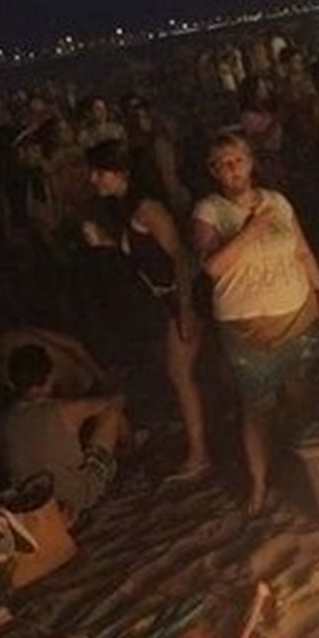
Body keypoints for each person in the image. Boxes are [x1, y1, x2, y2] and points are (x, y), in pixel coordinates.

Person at [193, 133, 319, 516]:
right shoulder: (209, 211)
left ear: (250, 162)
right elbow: (212, 266)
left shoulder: (278, 201)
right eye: (223, 163)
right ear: (213, 171)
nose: (232, 169)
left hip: (294, 312)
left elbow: (301, 249)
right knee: (258, 406)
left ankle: (309, 471)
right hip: (245, 325)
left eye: (238, 160)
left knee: (300, 395)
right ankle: (259, 484)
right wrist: (250, 230)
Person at [85, 140, 212, 482]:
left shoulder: (146, 209)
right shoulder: (126, 209)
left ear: (120, 173)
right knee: (185, 373)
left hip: (181, 297)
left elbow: (180, 258)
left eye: (100, 172)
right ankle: (202, 444)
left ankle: (200, 454)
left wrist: (185, 310)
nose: (94, 179)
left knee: (181, 376)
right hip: (168, 300)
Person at [0, 343, 126, 520]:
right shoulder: (63, 410)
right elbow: (112, 401)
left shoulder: (5, 420)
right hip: (75, 498)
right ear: (49, 377)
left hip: (32, 501)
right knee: (111, 412)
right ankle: (130, 449)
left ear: (12, 382)